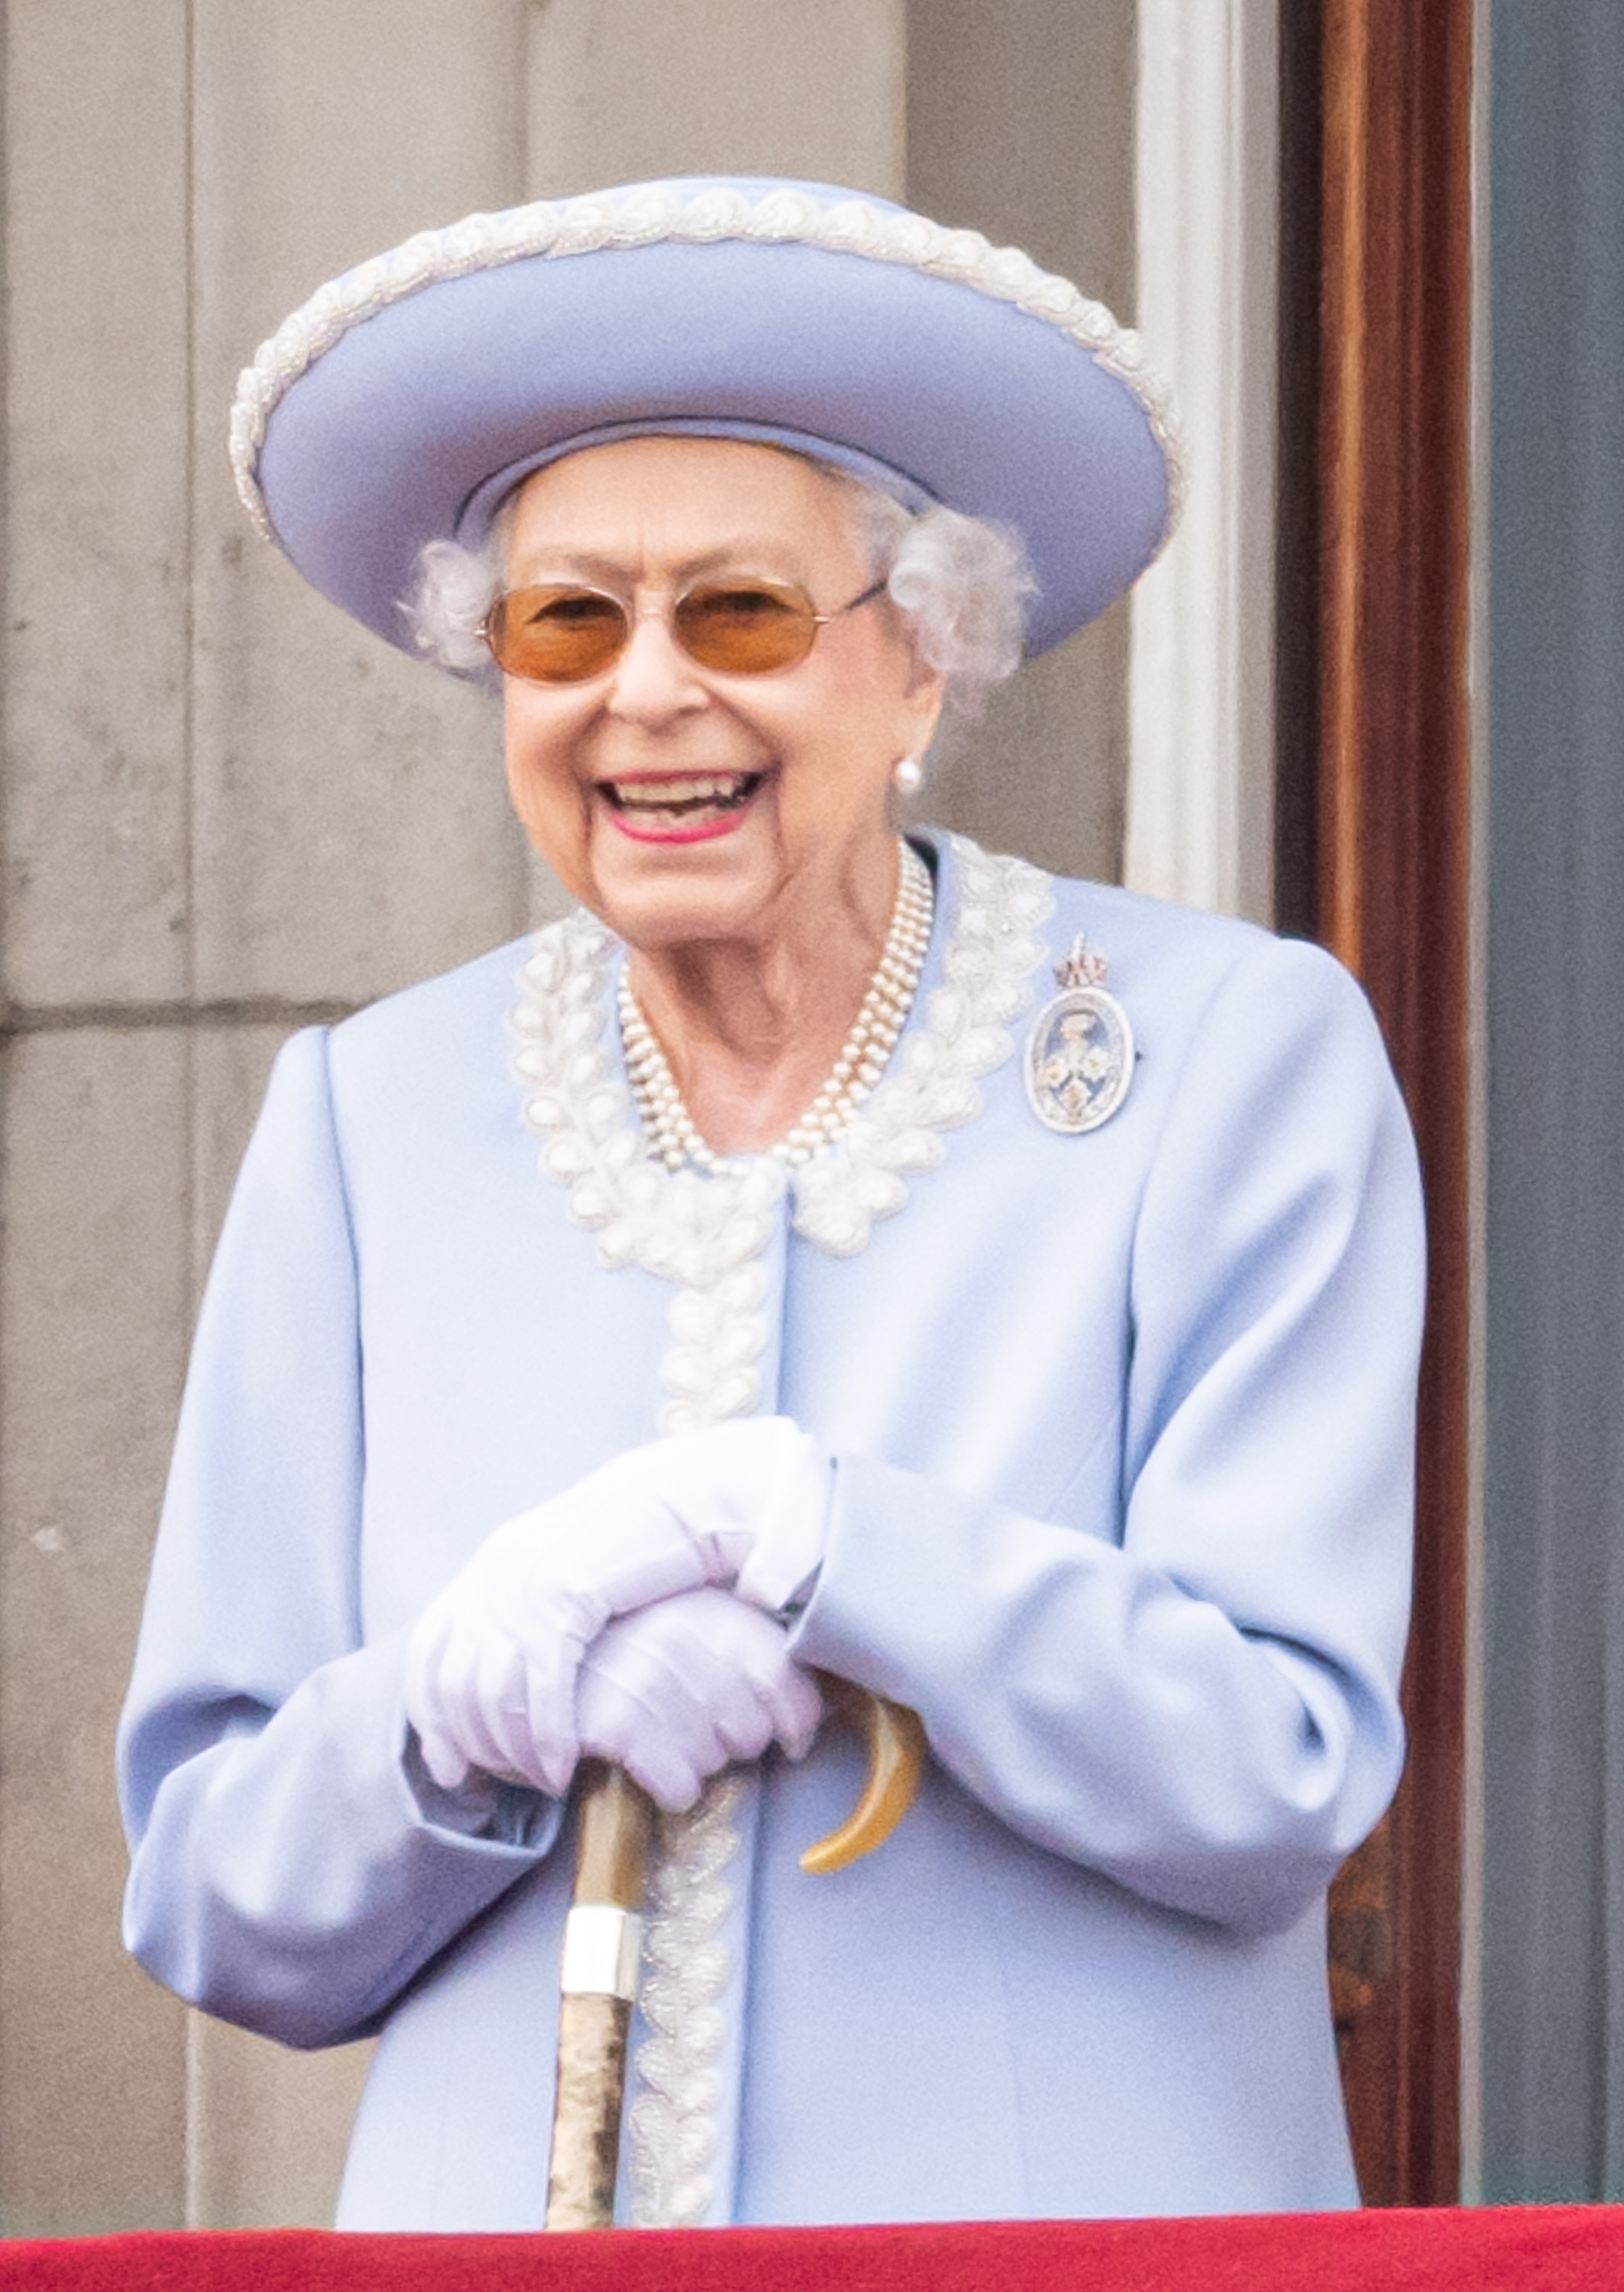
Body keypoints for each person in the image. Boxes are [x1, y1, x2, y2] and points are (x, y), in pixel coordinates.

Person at [117, 175, 1425, 2233]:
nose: (645, 694)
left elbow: (1277, 1770)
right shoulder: (367, 1121)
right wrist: (472, 1714)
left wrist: (835, 1538)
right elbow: (212, 1896)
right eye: (567, 622)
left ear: (922, 670)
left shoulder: (1225, 1060)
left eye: (737, 612)